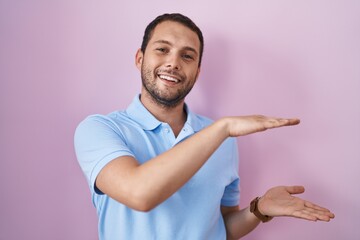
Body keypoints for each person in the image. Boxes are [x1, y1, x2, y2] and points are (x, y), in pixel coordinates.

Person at [74, 13, 334, 240]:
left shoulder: (225, 139)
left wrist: (259, 209)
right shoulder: (99, 129)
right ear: (140, 59)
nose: (173, 63)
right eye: (162, 49)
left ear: (197, 72)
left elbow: (223, 228)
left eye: (187, 56)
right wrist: (222, 129)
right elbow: (139, 194)